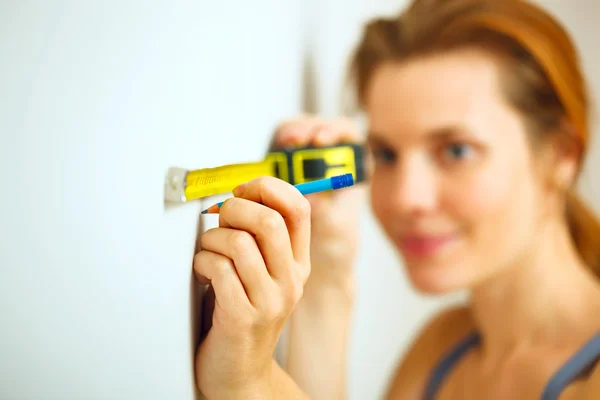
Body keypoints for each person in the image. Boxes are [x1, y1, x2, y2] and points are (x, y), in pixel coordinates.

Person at [192, 0, 600, 398]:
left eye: (456, 150)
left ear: (561, 154)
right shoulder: (440, 348)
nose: (406, 197)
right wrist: (329, 267)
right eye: (386, 154)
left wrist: (248, 380)